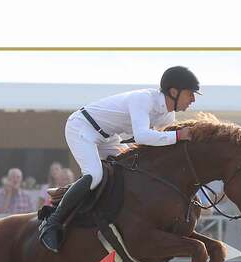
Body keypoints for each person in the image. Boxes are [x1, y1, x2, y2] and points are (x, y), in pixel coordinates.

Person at [38, 65, 200, 252]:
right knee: (95, 175)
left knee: (135, 169)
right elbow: (142, 136)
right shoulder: (144, 99)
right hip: (82, 127)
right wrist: (179, 135)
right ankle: (52, 222)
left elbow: (163, 144)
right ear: (173, 92)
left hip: (108, 137)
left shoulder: (168, 115)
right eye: (190, 94)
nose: (193, 99)